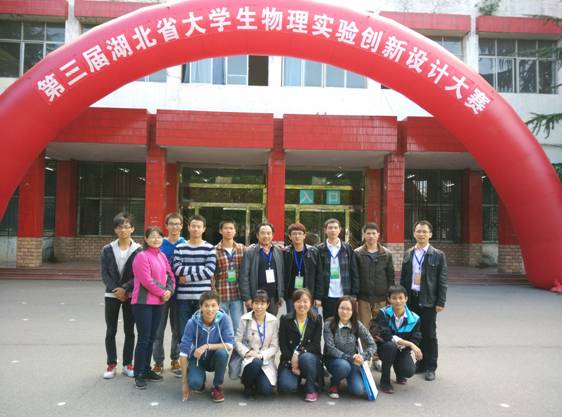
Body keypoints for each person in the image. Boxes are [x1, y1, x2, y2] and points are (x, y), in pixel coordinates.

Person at [400, 220, 447, 382]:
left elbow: (442, 280)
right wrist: (402, 299)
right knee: (416, 333)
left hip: (428, 300)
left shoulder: (438, 255)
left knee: (429, 334)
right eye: (418, 231)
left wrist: (441, 301)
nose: (421, 234)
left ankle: (430, 367)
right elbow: (403, 278)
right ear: (414, 233)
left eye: (424, 231)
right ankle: (420, 363)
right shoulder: (408, 253)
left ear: (430, 234)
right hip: (411, 299)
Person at [131, 227, 175, 389]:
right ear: (146, 239)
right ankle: (138, 373)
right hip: (143, 303)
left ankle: (146, 369)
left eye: (159, 237)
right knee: (144, 338)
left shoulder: (162, 255)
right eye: (152, 237)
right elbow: (146, 280)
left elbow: (171, 275)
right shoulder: (141, 256)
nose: (156, 239)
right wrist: (163, 292)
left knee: (152, 337)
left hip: (159, 302)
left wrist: (170, 291)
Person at [100, 212, 141, 379]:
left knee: (129, 330)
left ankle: (127, 364)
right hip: (111, 295)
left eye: (126, 227)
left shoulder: (138, 250)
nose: (123, 230)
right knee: (111, 330)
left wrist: (125, 289)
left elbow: (139, 274)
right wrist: (116, 290)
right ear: (115, 229)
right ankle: (111, 364)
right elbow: (104, 274)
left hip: (131, 295)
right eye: (120, 227)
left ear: (132, 229)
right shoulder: (107, 249)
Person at [179, 290, 234, 403]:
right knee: (195, 384)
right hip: (197, 358)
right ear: (200, 307)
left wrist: (206, 346)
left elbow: (229, 345)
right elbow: (183, 352)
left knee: (223, 352)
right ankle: (199, 376)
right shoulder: (192, 322)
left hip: (215, 357)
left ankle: (217, 386)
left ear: (218, 306)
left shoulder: (225, 319)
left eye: (213, 305)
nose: (210, 309)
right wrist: (184, 383)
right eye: (206, 306)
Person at [355, 222, 395, 371]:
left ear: (378, 235)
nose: (371, 236)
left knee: (379, 329)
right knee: (364, 328)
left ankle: (378, 357)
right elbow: (355, 275)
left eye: (374, 233)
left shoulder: (387, 254)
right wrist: (355, 295)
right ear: (364, 235)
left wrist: (390, 297)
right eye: (368, 233)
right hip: (363, 298)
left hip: (381, 298)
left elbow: (390, 277)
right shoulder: (357, 253)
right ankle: (366, 357)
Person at [172, 215, 216, 345]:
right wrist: (200, 268)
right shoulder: (180, 247)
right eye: (193, 226)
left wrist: (187, 278)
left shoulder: (209, 248)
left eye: (199, 226)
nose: (196, 229)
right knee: (183, 332)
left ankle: (200, 357)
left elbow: (209, 271)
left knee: (202, 331)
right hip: (183, 298)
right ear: (188, 228)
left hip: (202, 298)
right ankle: (185, 357)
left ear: (204, 229)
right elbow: (177, 269)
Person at [371, 285, 422, 394]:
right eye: (394, 298)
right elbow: (386, 336)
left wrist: (410, 345)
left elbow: (416, 338)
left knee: (408, 371)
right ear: (389, 299)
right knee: (390, 346)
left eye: (400, 297)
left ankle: (400, 373)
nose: (398, 301)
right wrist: (410, 344)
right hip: (385, 349)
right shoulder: (383, 313)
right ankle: (385, 381)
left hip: (403, 350)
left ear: (406, 299)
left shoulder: (415, 318)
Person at [152, 212, 186, 377]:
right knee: (158, 329)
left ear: (182, 226)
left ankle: (175, 359)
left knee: (177, 329)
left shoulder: (185, 244)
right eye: (171, 224)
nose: (174, 227)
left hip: (180, 293)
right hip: (161, 293)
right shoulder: (159, 244)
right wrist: (160, 289)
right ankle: (158, 361)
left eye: (177, 224)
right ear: (166, 226)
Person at [323, 296, 376, 399]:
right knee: (344, 366)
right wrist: (350, 358)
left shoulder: (357, 325)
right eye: (342, 308)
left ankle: (348, 376)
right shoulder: (329, 324)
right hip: (333, 360)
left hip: (353, 361)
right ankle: (335, 383)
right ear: (337, 309)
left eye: (348, 309)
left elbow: (372, 344)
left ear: (353, 311)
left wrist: (363, 356)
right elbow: (331, 348)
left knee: (358, 390)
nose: (344, 312)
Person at [278, 288, 323, 402]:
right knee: (286, 387)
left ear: (311, 303)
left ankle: (310, 389)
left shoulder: (316, 320)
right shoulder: (285, 320)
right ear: (293, 303)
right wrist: (293, 364)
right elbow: (283, 345)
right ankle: (298, 379)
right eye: (298, 301)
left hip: (309, 358)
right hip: (289, 360)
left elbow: (315, 345)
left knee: (306, 357)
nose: (302, 304)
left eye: (305, 301)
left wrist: (297, 353)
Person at [234, 290, 279, 398]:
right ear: (252, 304)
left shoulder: (273, 320)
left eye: (262, 303)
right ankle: (247, 385)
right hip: (249, 358)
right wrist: (247, 352)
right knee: (255, 363)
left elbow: (274, 346)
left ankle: (255, 381)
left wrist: (261, 355)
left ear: (268, 304)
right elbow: (237, 341)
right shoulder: (245, 319)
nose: (259, 307)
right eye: (256, 303)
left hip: (266, 359)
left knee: (266, 391)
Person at [316, 218, 359, 319]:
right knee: (329, 322)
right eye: (330, 228)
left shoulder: (347, 248)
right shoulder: (319, 249)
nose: (333, 230)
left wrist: (354, 294)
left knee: (345, 321)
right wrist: (318, 296)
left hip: (345, 294)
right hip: (327, 295)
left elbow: (354, 272)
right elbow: (317, 274)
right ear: (325, 230)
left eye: (335, 228)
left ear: (340, 230)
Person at [240, 223, 284, 315]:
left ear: (272, 235)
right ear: (257, 235)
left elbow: (281, 274)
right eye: (263, 233)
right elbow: (244, 276)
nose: (266, 236)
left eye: (268, 233)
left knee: (271, 322)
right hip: (256, 297)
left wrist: (281, 295)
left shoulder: (278, 251)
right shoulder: (250, 252)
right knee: (255, 323)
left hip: (273, 297)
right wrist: (247, 298)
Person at [283, 222, 322, 313]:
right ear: (290, 236)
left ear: (304, 236)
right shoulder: (286, 253)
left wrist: (318, 297)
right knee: (293, 320)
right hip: (291, 295)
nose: (297, 236)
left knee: (312, 320)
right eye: (294, 234)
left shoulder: (313, 252)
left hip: (309, 295)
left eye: (300, 233)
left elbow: (319, 275)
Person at [214, 219, 245, 333]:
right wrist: (213, 292)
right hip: (221, 294)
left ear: (235, 231)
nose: (228, 231)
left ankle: (238, 345)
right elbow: (212, 274)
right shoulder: (214, 250)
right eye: (226, 228)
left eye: (231, 228)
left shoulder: (242, 249)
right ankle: (222, 345)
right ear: (220, 231)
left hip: (237, 294)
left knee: (238, 327)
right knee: (220, 327)